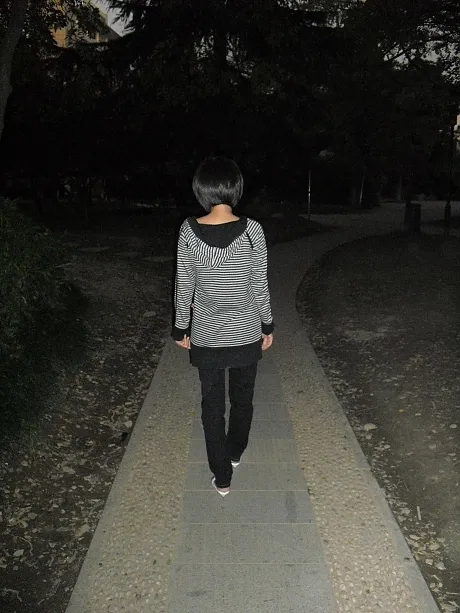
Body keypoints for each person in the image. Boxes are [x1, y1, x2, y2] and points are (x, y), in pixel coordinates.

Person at [173, 157, 274, 497]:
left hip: (206, 335)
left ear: (200, 190)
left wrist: (180, 328)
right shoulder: (253, 231)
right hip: (246, 331)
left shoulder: (188, 231)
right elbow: (259, 284)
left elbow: (184, 285)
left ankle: (222, 477)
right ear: (236, 188)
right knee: (243, 399)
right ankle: (234, 452)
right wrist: (267, 324)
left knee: (212, 405)